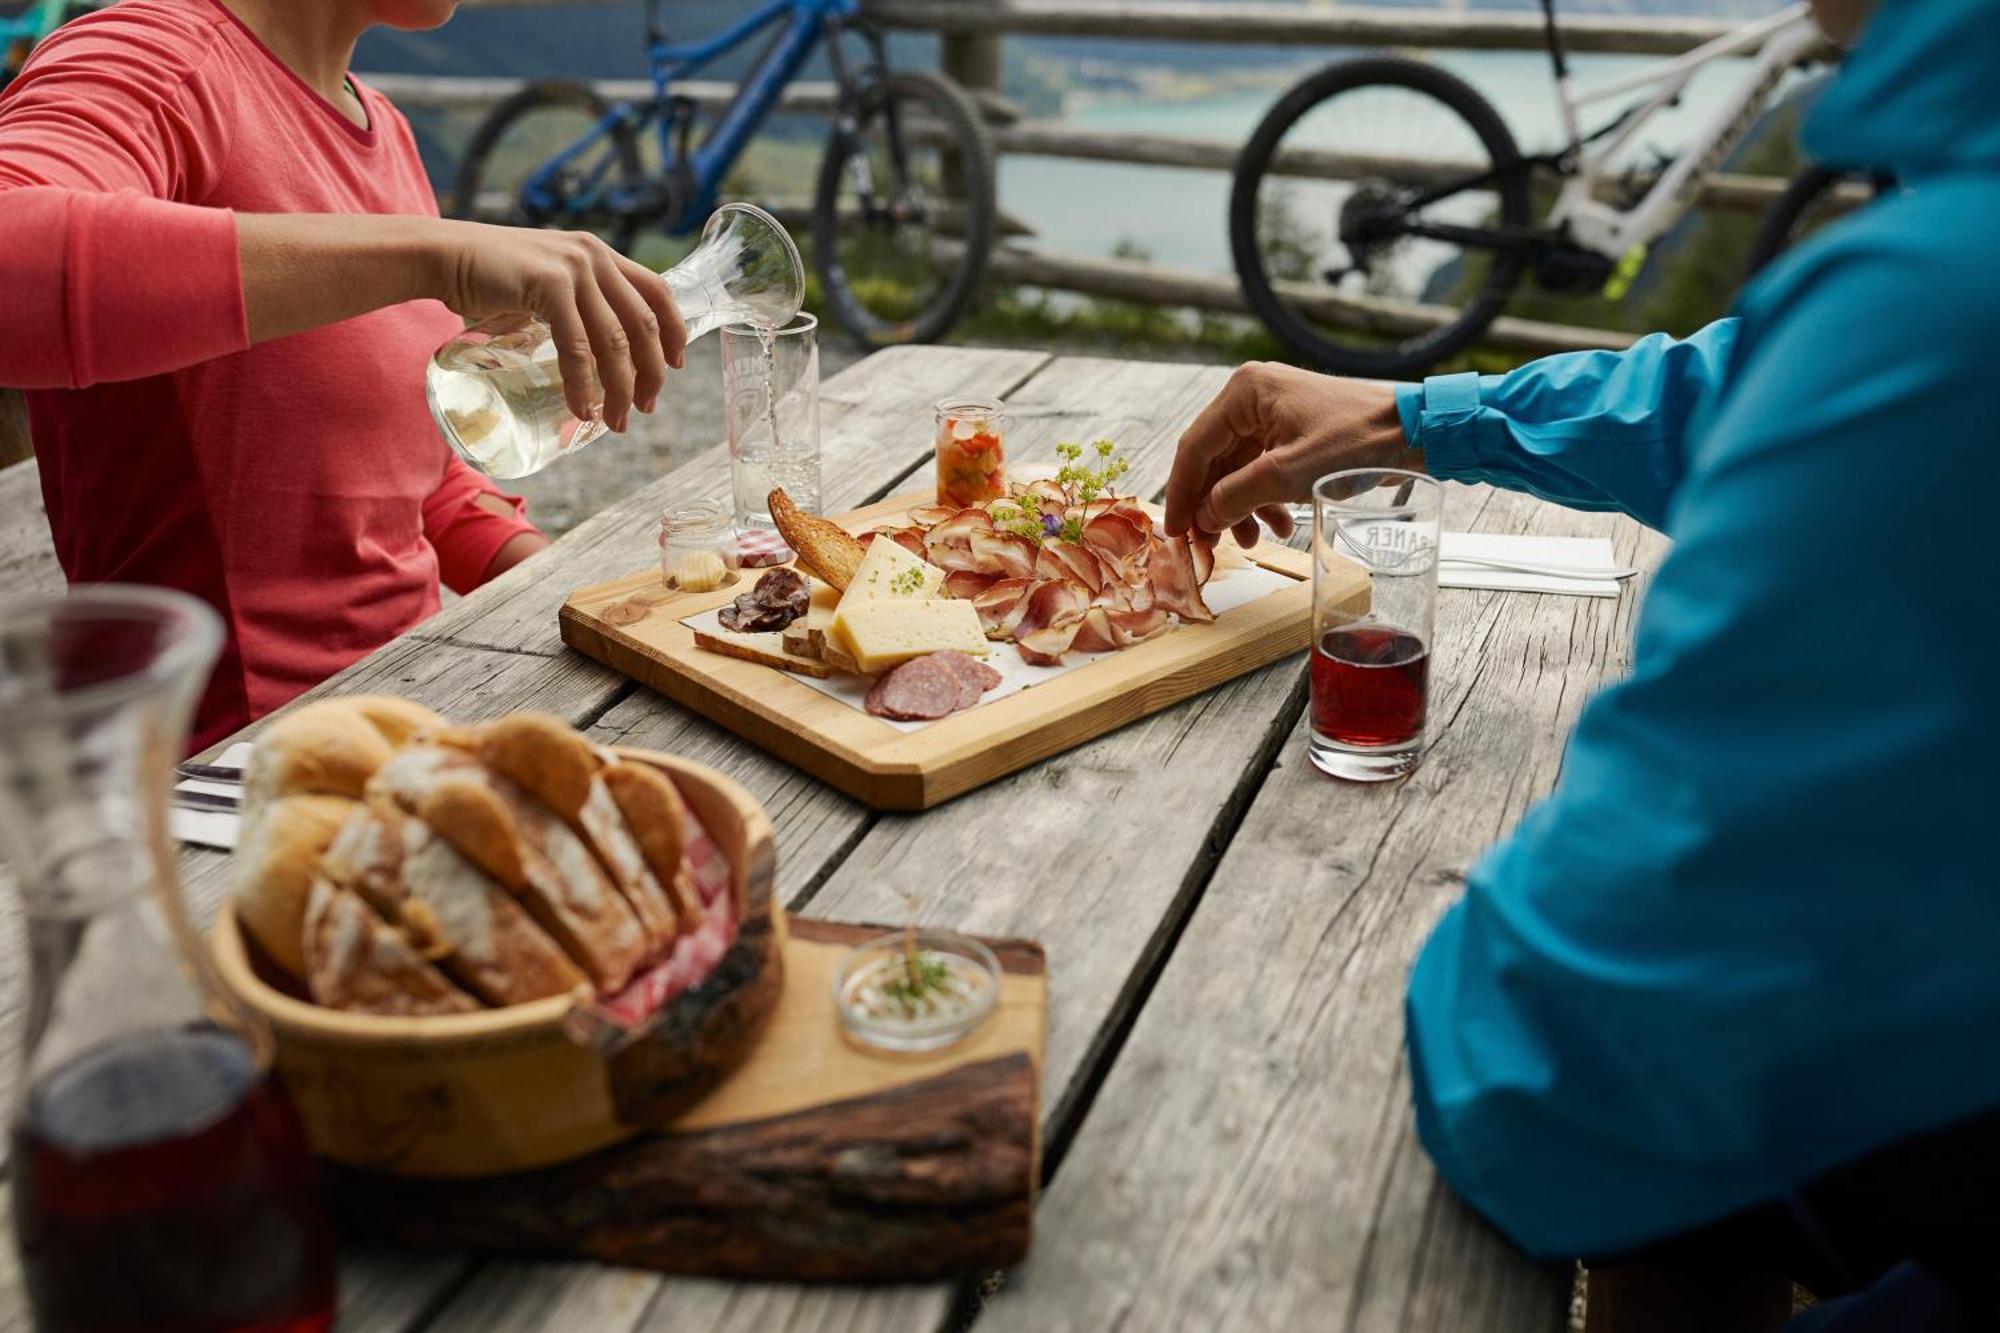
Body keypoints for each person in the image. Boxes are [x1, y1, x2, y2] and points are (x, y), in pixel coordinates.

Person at [1166, 0, 1998, 1326]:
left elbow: (1570, 1042)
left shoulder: (1945, 295)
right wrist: (1414, 412)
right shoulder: (1947, 246)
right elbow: (1742, 389)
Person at [0, 0, 686, 750]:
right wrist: (436, 254)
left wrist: (572, 590)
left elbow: (409, 474)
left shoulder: (381, 127)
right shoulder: (154, 61)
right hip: (231, 771)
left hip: (410, 711)